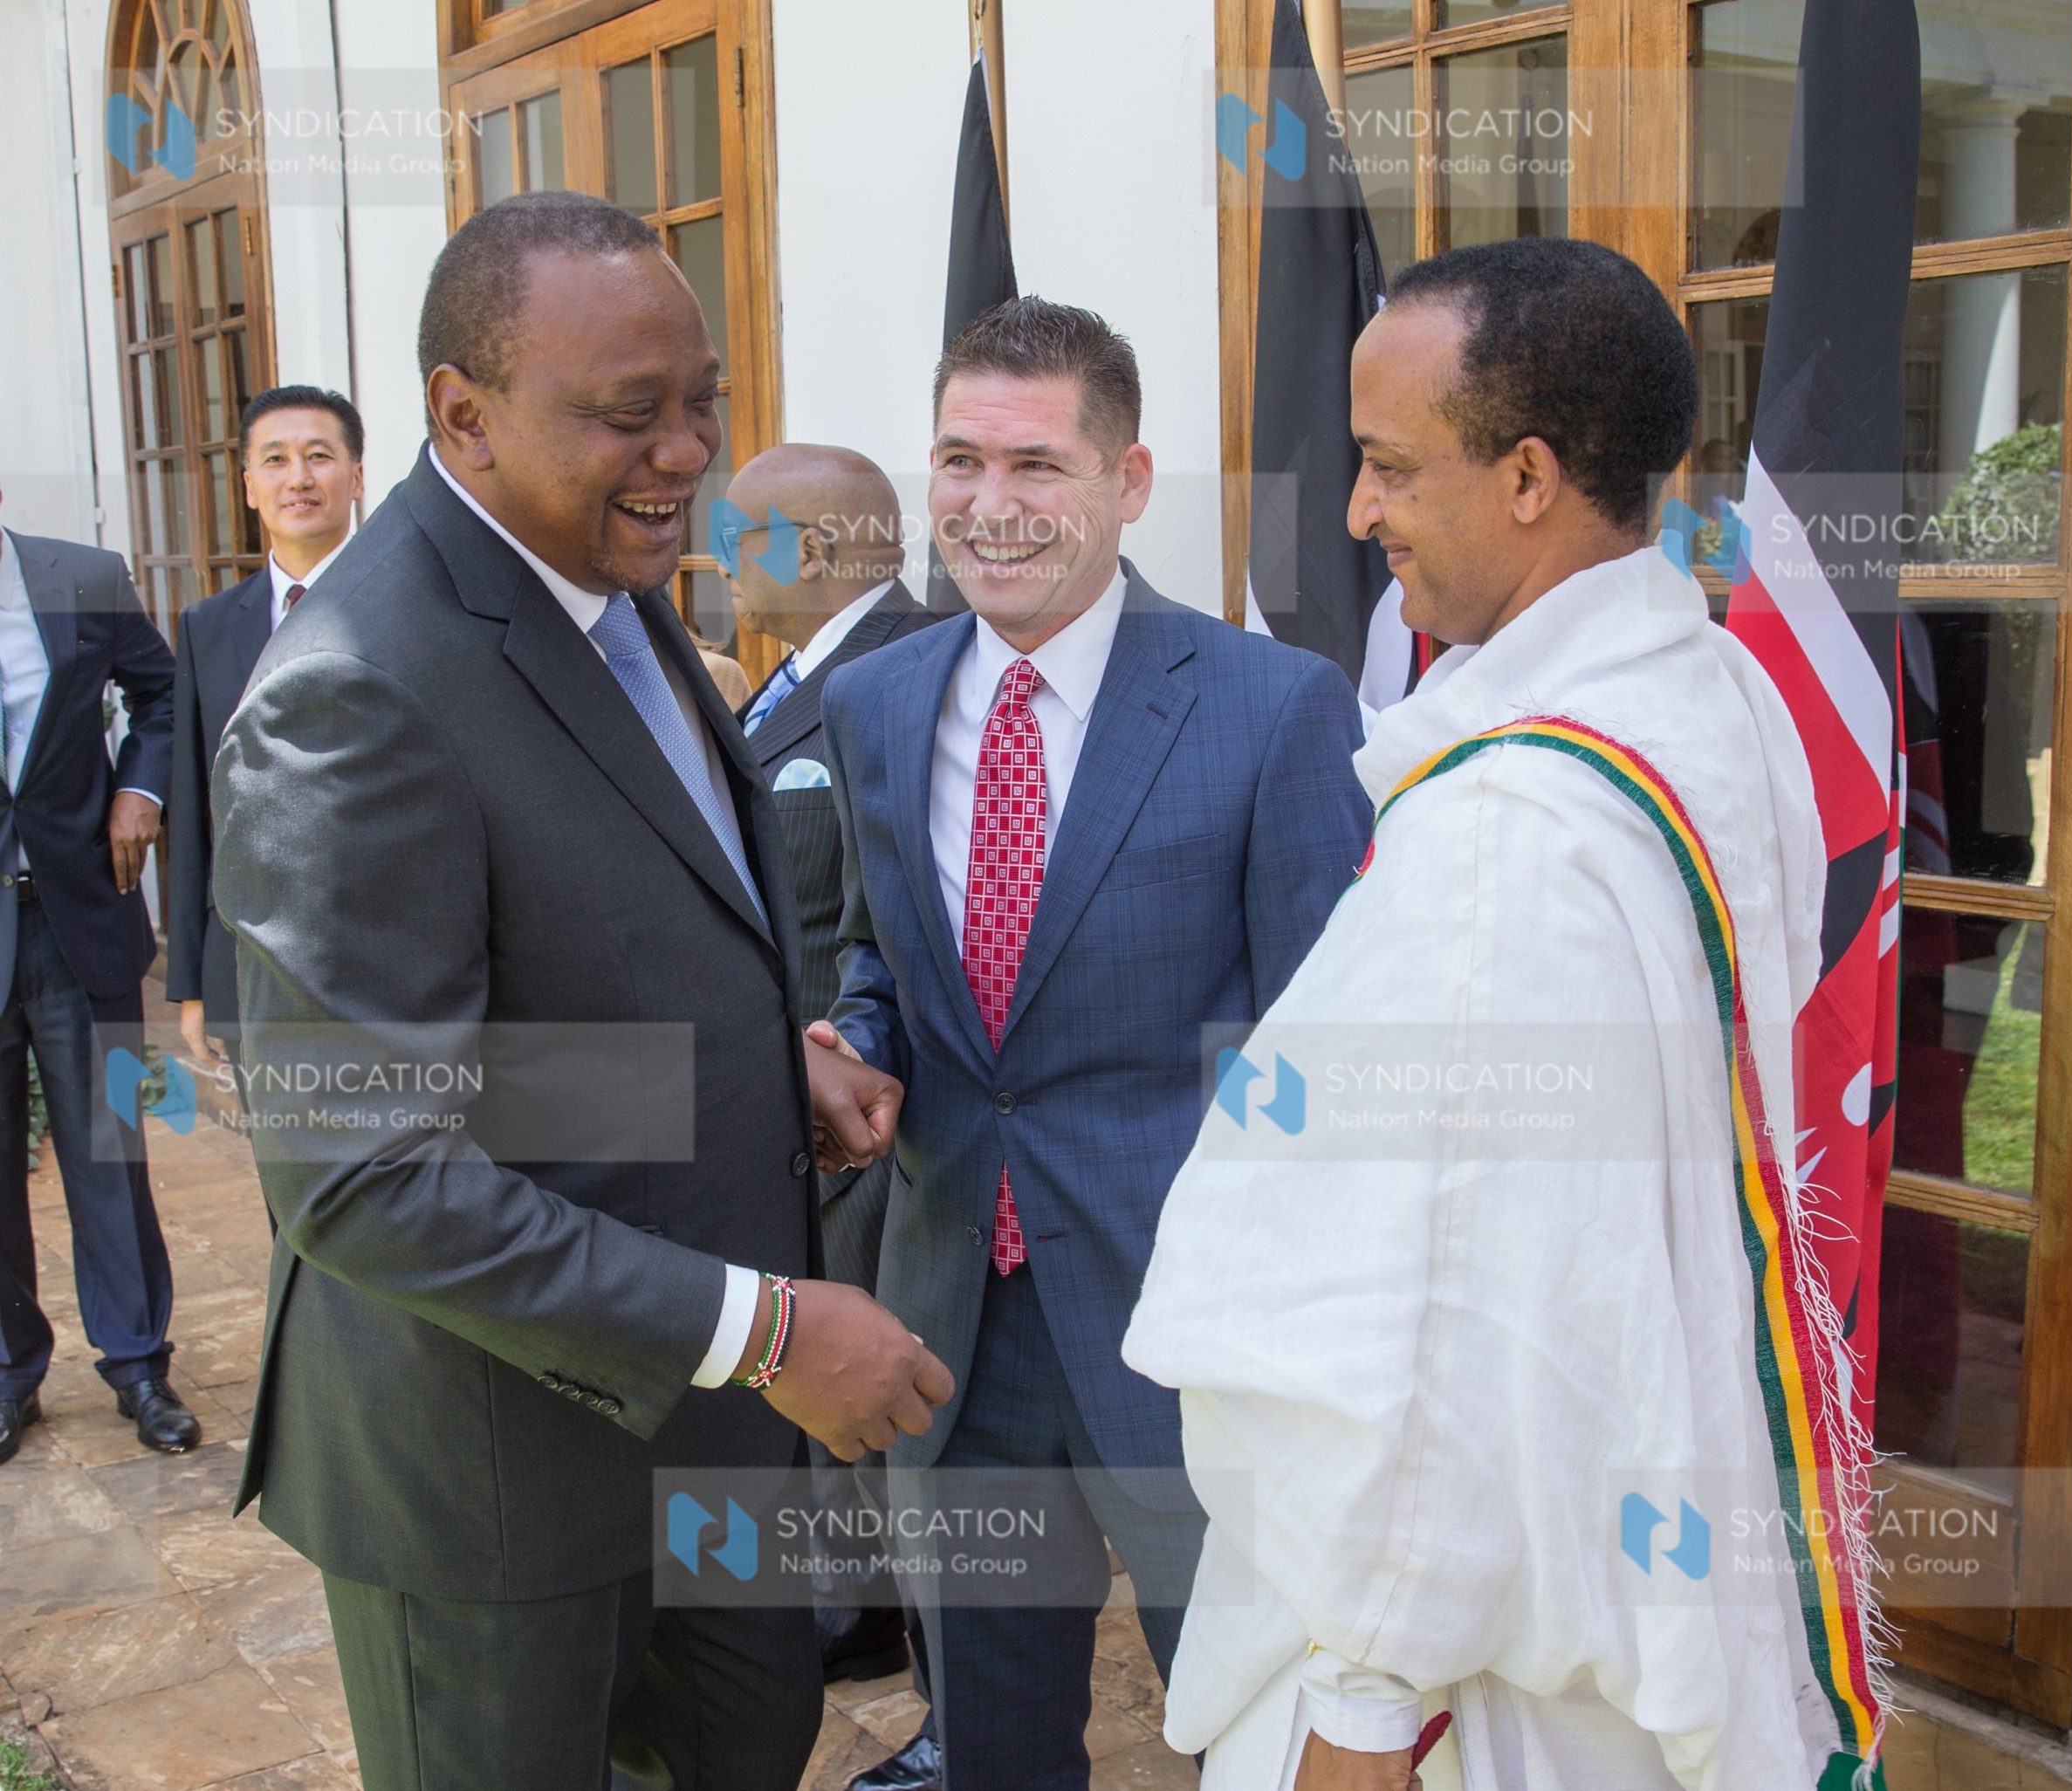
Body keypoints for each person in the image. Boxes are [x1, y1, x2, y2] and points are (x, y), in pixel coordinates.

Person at [210, 190, 951, 1791]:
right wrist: (766, 1330)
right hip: (494, 1492)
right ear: (461, 416)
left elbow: (555, 997)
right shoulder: (350, 691)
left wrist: (769, 1067)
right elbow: (369, 1170)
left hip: (706, 1467)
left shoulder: (612, 591)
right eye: (630, 414)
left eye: (703, 403)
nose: (686, 452)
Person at [1123, 238, 1886, 1790]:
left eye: (1390, 466)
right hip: (1639, 1537)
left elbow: (1430, 1321)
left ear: (1529, 474)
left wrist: (1358, 1707)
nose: (1357, 513)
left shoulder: (1503, 841)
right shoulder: (1715, 697)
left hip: (1482, 1682)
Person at [820, 297, 1373, 1791]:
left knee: (1250, 1726)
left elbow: (1330, 1045)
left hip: (1193, 1340)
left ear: (1129, 481)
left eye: (1037, 465)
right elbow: (887, 952)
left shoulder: (1271, 709)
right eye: (957, 461)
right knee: (994, 1746)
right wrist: (848, 1037)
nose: (990, 507)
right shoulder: (871, 706)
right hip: (956, 1336)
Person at [730, 443, 943, 1709]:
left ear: (811, 554)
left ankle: (947, 1702)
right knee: (823, 1406)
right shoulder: (788, 682)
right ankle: (856, 1610)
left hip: (870, 1118)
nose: (715, 560)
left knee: (893, 1419)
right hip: (799, 1115)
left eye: (738, 537)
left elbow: (901, 929)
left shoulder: (911, 675)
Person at [0, 498, 187, 1465]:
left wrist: (137, 788)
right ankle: (9, 1375)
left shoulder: (84, 577)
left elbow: (161, 695)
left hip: (80, 914)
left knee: (109, 1153)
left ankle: (139, 1366)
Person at [169, 385, 365, 1071]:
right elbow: (199, 809)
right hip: (258, 974)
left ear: (357, 477)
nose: (300, 478)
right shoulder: (208, 628)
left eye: (320, 456)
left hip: (393, 969)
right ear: (250, 486)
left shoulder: (417, 608)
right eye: (276, 461)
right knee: (286, 1176)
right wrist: (196, 985)